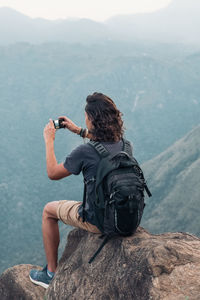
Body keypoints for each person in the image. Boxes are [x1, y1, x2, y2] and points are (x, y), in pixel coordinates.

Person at [29, 92, 125, 288]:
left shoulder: (85, 152)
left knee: (48, 211)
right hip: (123, 216)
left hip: (98, 220)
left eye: (86, 117)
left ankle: (50, 273)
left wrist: (49, 140)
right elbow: (103, 143)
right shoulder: (123, 144)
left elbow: (53, 173)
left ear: (92, 119)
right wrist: (78, 130)